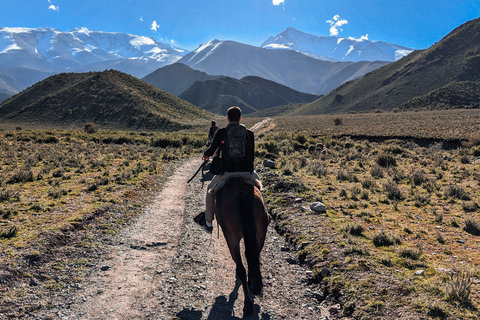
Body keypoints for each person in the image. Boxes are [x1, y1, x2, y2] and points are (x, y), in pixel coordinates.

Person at [196, 106, 261, 233]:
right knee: (260, 190)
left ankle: (208, 223)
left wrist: (206, 155)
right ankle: (264, 217)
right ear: (240, 118)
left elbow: (211, 149)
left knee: (210, 190)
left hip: (226, 173)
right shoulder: (250, 134)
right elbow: (252, 157)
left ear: (227, 119)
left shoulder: (221, 132)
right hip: (247, 173)